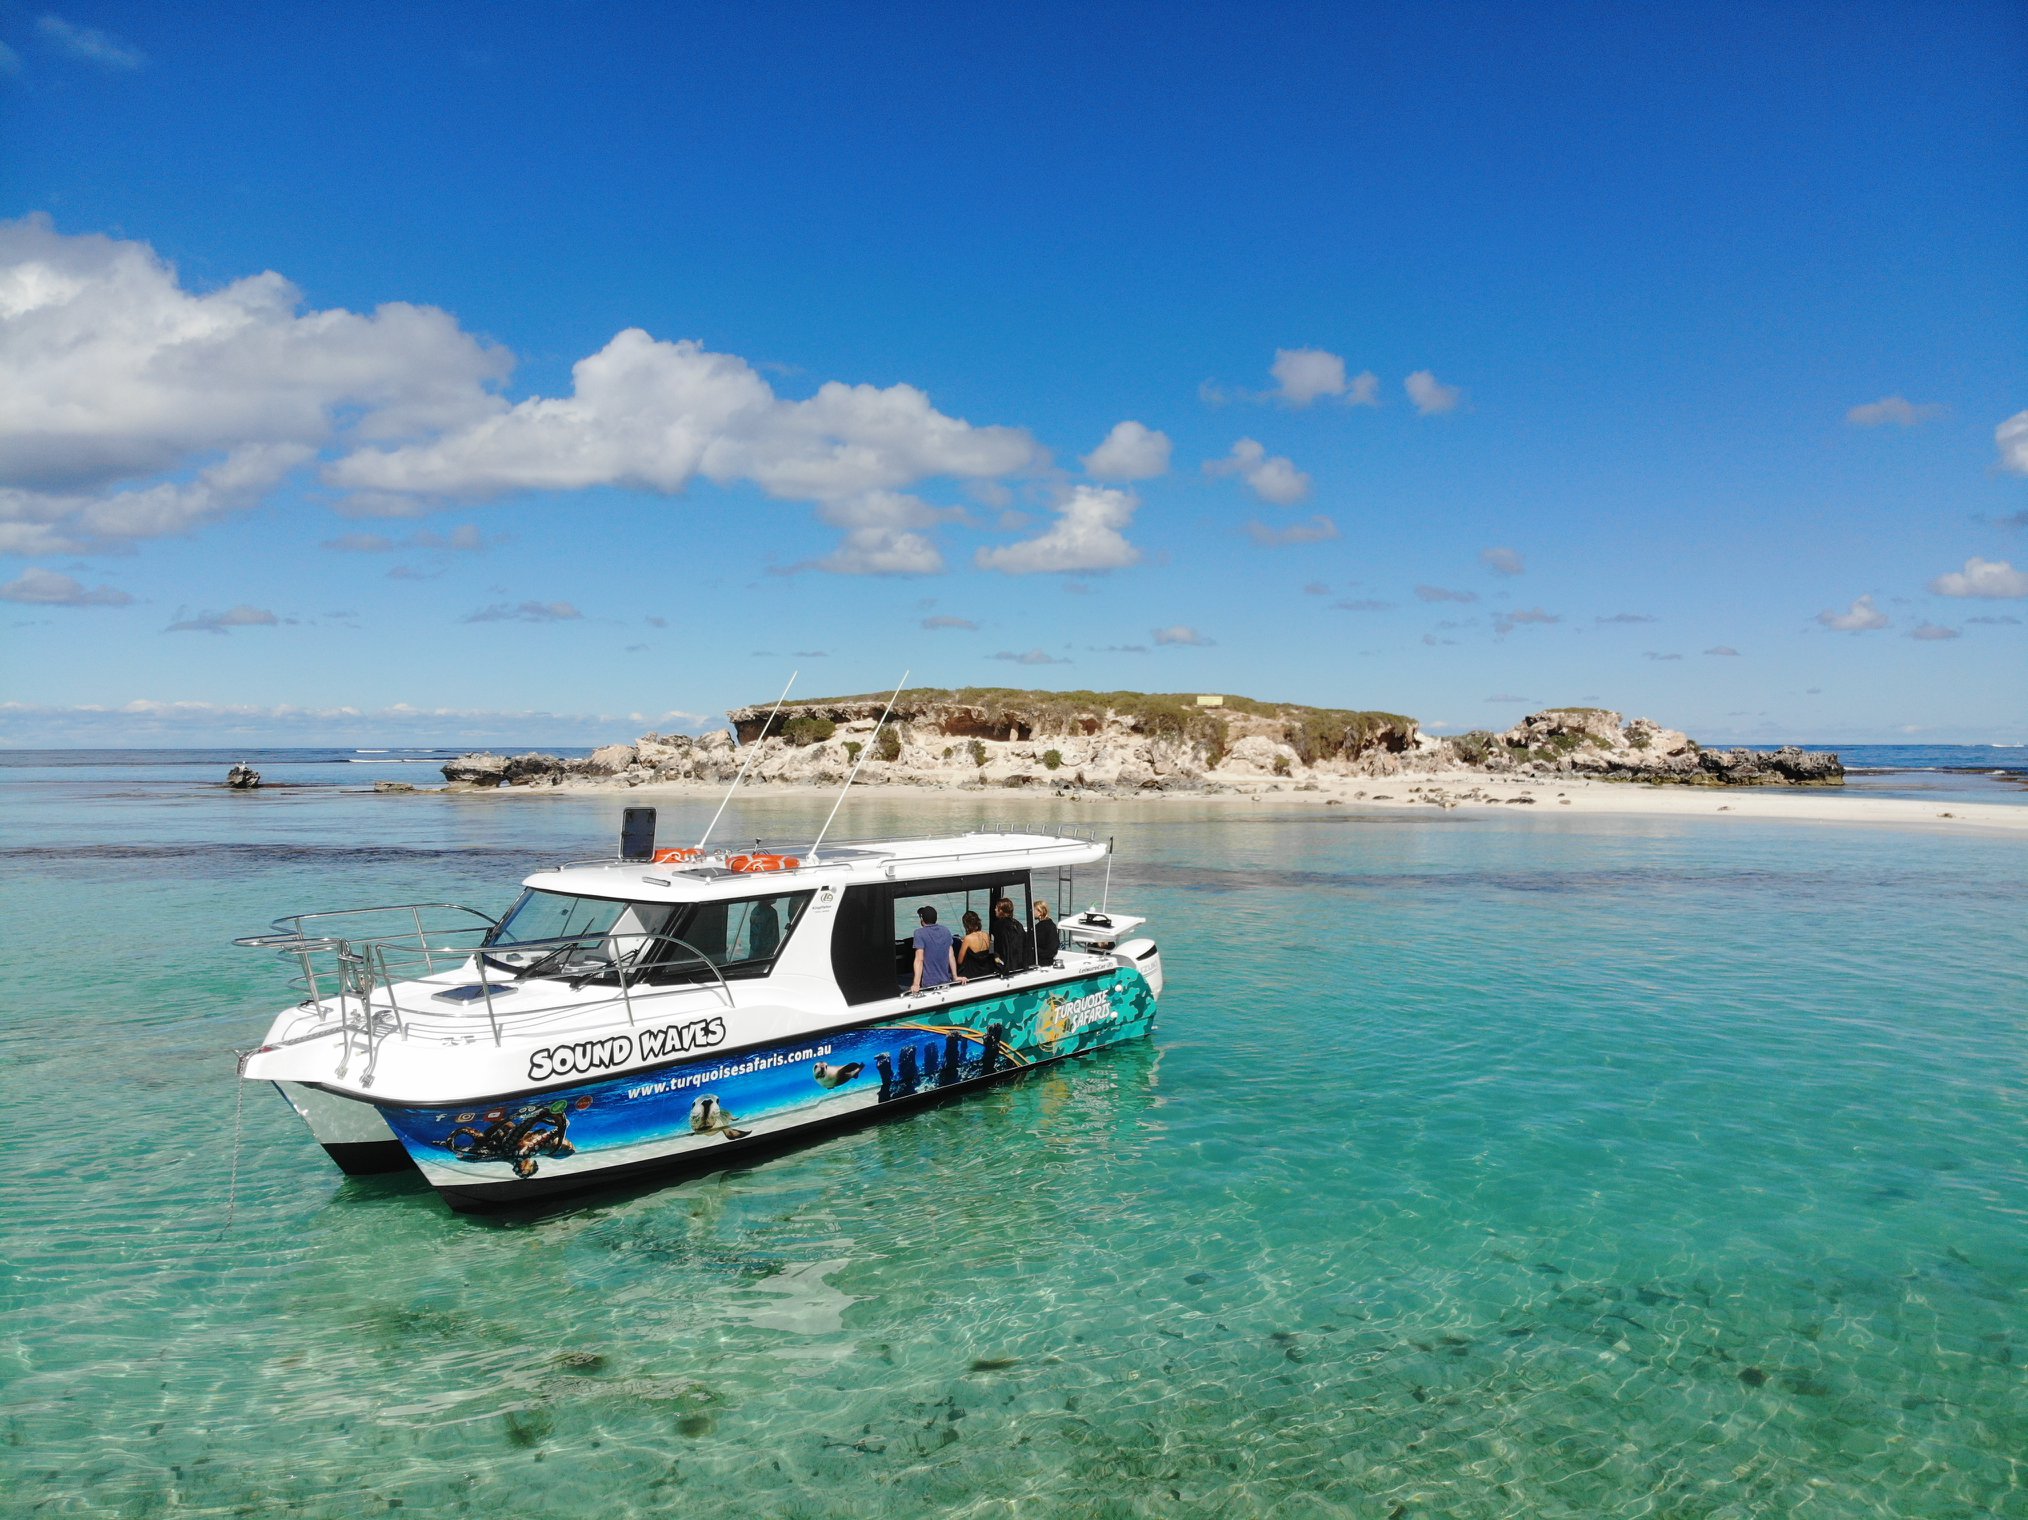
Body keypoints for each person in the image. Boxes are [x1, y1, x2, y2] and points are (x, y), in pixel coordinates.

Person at [909, 904, 957, 992]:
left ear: (922, 919)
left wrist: (916, 984)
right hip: (946, 981)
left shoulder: (919, 933)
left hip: (929, 984)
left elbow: (919, 959)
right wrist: (955, 977)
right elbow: (951, 956)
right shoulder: (946, 930)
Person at [989, 897, 1032, 973]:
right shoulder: (1018, 924)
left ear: (1001, 910)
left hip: (1005, 966)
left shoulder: (998, 925)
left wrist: (993, 955)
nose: (995, 910)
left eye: (996, 908)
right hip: (1020, 964)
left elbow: (997, 945)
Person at [956, 910, 996, 980]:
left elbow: (960, 960)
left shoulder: (967, 939)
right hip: (986, 970)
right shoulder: (986, 935)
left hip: (972, 973)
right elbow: (990, 952)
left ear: (966, 925)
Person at [1032, 899, 1060, 966]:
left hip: (1041, 961)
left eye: (1033, 910)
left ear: (1040, 912)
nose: (1032, 912)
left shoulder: (1040, 927)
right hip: (1047, 960)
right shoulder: (1051, 925)